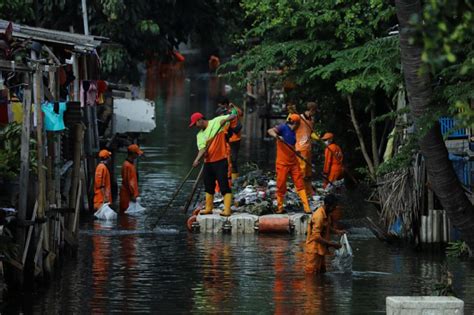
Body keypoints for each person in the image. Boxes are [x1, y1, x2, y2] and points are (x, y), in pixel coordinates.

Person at [190, 111, 236, 216]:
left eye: (195, 124)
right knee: (208, 186)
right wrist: (197, 159)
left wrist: (226, 120)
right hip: (208, 163)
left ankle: (227, 210)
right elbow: (202, 149)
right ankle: (208, 208)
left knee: (224, 185)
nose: (195, 126)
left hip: (221, 160)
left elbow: (234, 115)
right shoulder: (200, 135)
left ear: (200, 120)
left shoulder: (216, 121)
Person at [267, 114, 312, 214]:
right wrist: (278, 137)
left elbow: (294, 146)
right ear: (295, 123)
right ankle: (280, 208)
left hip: (293, 162)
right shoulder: (283, 128)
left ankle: (307, 208)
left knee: (300, 184)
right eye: (298, 124)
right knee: (281, 185)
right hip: (282, 163)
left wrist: (298, 153)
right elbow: (270, 130)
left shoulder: (295, 132)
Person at [305, 194, 345, 274]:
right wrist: (332, 244)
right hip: (314, 251)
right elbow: (316, 236)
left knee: (321, 273)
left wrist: (337, 231)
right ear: (327, 205)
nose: (334, 209)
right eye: (333, 206)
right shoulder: (319, 216)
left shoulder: (326, 213)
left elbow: (326, 227)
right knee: (312, 275)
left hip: (321, 249)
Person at [217, 97, 243, 180]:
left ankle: (234, 180)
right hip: (226, 139)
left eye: (221, 105)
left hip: (234, 139)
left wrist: (233, 106)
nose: (220, 107)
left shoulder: (232, 111)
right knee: (227, 160)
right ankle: (229, 179)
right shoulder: (224, 111)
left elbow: (239, 113)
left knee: (233, 160)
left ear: (225, 104)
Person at [295, 101, 318, 196]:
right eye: (315, 111)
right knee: (302, 171)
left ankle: (308, 190)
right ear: (312, 110)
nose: (315, 113)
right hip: (300, 147)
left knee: (308, 172)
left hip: (308, 147)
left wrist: (317, 137)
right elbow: (290, 125)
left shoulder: (311, 120)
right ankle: (300, 190)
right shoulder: (299, 118)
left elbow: (310, 132)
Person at [120, 144, 144, 213]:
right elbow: (128, 182)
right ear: (133, 154)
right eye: (137, 153)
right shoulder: (128, 165)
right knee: (126, 215)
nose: (137, 155)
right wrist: (132, 195)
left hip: (128, 195)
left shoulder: (130, 164)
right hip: (127, 196)